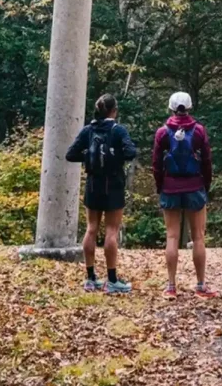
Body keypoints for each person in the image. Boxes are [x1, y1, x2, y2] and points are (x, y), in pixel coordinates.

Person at [66, 93, 137, 294]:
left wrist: (88, 155)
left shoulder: (88, 130)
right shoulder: (118, 130)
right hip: (113, 184)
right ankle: (112, 280)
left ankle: (90, 278)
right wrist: (116, 157)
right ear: (114, 111)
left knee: (91, 229)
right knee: (111, 231)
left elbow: (70, 154)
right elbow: (131, 152)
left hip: (92, 183)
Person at [153, 92, 218, 300]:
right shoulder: (199, 130)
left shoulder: (163, 132)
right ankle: (200, 285)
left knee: (172, 236)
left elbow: (156, 164)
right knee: (198, 237)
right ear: (189, 107)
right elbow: (207, 161)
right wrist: (205, 185)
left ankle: (171, 286)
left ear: (171, 108)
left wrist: (160, 186)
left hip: (170, 186)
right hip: (194, 186)